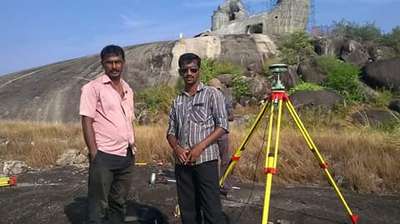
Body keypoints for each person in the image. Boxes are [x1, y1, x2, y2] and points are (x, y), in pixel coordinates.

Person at [167, 53, 228, 224]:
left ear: (199, 71)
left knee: (212, 210)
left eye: (193, 69)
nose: (189, 73)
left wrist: (200, 147)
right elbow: (170, 131)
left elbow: (222, 125)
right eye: (185, 70)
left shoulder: (211, 94)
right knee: (188, 211)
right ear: (180, 72)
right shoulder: (177, 100)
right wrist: (176, 148)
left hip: (205, 161)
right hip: (182, 164)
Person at [80, 45, 136, 223]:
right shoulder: (93, 88)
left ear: (123, 63)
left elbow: (128, 120)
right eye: (110, 63)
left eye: (118, 62)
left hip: (126, 154)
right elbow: (86, 120)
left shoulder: (127, 89)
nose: (114, 66)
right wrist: (94, 153)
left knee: (119, 202)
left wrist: (132, 145)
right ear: (103, 64)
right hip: (104, 154)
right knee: (99, 205)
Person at [208, 78, 234, 196]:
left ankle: (216, 185)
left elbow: (231, 116)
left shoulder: (206, 98)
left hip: (211, 133)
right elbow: (231, 116)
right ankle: (223, 185)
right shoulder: (224, 98)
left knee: (214, 160)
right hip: (219, 133)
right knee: (224, 159)